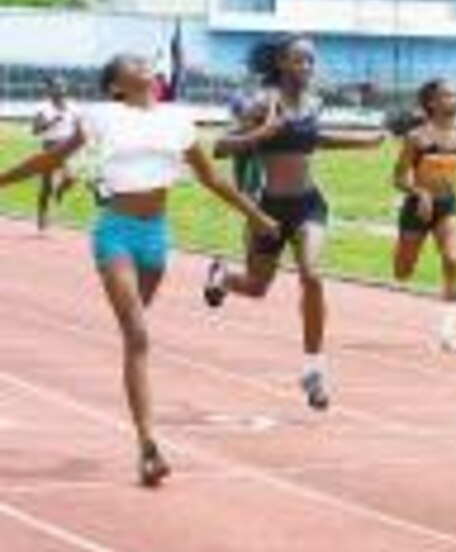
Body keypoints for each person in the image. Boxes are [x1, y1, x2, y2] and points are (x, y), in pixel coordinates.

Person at [0, 53, 278, 487]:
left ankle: (142, 423)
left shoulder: (177, 120)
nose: (144, 64)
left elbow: (212, 179)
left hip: (155, 239)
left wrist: (256, 216)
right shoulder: (103, 115)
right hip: (116, 232)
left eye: (144, 61)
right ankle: (149, 447)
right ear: (116, 85)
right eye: (131, 63)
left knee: (135, 342)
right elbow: (53, 159)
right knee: (138, 334)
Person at [203, 34, 384, 410]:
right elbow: (220, 148)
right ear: (282, 64)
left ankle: (313, 369)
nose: (307, 67)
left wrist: (364, 142)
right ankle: (222, 277)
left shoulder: (313, 103)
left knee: (312, 275)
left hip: (308, 205)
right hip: (269, 208)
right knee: (255, 287)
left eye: (311, 61)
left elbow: (314, 140)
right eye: (300, 60)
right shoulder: (262, 103)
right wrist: (261, 133)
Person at [392, 79, 456, 353]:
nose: (453, 100)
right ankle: (401, 242)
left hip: (447, 205)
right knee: (402, 272)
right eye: (447, 96)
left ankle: (449, 334)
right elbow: (398, 177)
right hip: (417, 207)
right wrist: (419, 193)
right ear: (432, 103)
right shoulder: (417, 138)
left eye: (455, 96)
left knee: (453, 260)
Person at [31, 75, 80, 230]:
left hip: (67, 146)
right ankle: (42, 214)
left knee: (71, 178)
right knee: (46, 185)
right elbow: (35, 130)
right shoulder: (43, 108)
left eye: (63, 86)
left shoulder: (73, 107)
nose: (60, 89)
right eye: (57, 87)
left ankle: (59, 191)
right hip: (50, 146)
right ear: (50, 90)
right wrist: (51, 122)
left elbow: (79, 125)